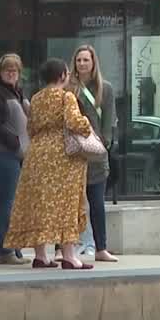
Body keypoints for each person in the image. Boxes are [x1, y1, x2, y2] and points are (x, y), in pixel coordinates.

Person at [3, 58, 96, 270]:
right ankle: (70, 256)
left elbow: (31, 127)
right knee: (65, 203)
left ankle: (41, 255)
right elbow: (73, 122)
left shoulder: (35, 98)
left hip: (36, 154)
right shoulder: (66, 97)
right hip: (61, 156)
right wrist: (87, 124)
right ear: (63, 76)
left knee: (40, 203)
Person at [67, 44, 118, 263]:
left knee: (97, 202)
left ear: (93, 62)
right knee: (67, 203)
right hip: (72, 153)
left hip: (96, 154)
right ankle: (63, 248)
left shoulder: (105, 89)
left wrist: (103, 143)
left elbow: (109, 120)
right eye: (79, 60)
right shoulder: (68, 88)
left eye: (86, 60)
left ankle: (101, 247)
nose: (82, 64)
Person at [0, 53, 30, 265]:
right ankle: (4, 251)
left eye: (14, 70)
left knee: (16, 204)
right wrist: (15, 143)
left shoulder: (18, 93)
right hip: (2, 153)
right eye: (7, 70)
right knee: (7, 201)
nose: (11, 74)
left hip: (18, 155)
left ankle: (14, 248)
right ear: (0, 72)